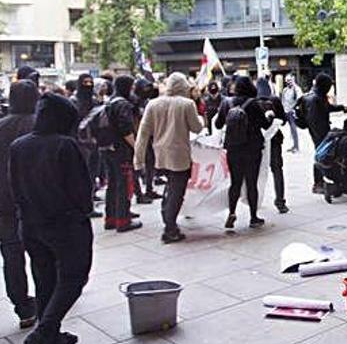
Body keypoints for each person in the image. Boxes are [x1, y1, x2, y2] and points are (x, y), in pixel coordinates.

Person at [9, 93, 94, 344]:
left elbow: (14, 187)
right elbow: (81, 189)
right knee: (74, 276)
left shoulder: (19, 145)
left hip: (31, 224)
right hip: (65, 225)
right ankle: (46, 330)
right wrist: (83, 213)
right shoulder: (65, 145)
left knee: (44, 278)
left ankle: (50, 334)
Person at [134, 73, 203, 244]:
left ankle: (167, 217)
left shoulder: (153, 104)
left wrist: (138, 159)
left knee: (170, 187)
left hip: (160, 154)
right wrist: (201, 119)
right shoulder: (187, 104)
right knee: (176, 192)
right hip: (180, 155)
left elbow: (143, 134)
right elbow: (197, 127)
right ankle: (170, 227)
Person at [0, 80, 38, 329]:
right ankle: (49, 297)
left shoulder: (1, 125)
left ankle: (23, 306)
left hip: (4, 199)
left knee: (12, 254)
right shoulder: (39, 125)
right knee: (43, 251)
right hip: (35, 200)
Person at [216, 76, 273, 229]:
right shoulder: (253, 104)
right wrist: (270, 116)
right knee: (251, 182)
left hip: (233, 149)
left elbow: (218, 123)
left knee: (235, 182)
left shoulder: (227, 102)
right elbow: (265, 125)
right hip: (252, 149)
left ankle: (232, 213)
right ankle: (253, 217)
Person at [302, 73, 347, 193]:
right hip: (319, 132)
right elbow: (314, 119)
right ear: (324, 85)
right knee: (321, 154)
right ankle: (318, 183)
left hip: (320, 131)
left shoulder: (317, 95)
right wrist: (325, 136)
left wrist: (343, 108)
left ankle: (322, 180)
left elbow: (327, 108)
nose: (330, 88)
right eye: (329, 86)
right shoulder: (315, 98)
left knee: (323, 153)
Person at [103, 75, 141, 232]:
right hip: (122, 149)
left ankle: (111, 217)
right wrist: (136, 146)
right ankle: (123, 220)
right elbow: (126, 129)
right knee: (124, 183)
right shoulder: (123, 104)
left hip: (108, 148)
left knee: (112, 183)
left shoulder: (109, 102)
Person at [69, 74, 104, 218]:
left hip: (94, 143)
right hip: (78, 143)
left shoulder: (94, 101)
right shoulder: (73, 101)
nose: (88, 85)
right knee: (82, 175)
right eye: (85, 82)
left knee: (92, 173)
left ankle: (90, 198)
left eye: (90, 82)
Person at [256, 75, 289, 214]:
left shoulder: (253, 102)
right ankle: (280, 201)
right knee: (277, 170)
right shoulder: (274, 100)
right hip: (274, 140)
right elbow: (284, 119)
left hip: (258, 143)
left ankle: (256, 201)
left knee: (257, 172)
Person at [280, 75, 302, 153]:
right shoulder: (285, 90)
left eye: (290, 80)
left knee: (293, 129)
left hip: (293, 112)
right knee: (291, 130)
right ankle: (294, 145)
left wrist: (294, 109)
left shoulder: (297, 89)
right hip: (287, 111)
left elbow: (299, 99)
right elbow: (283, 100)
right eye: (287, 80)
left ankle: (296, 146)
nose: (288, 82)